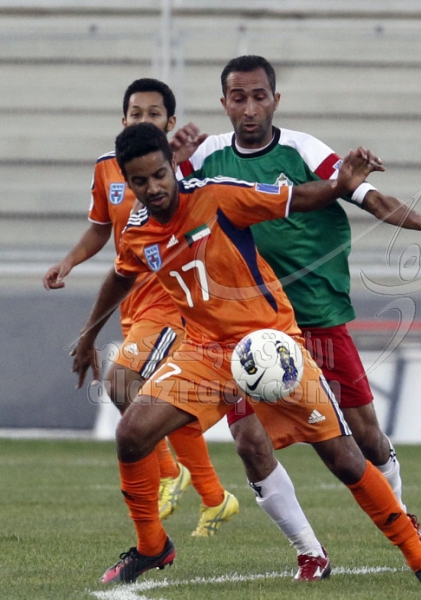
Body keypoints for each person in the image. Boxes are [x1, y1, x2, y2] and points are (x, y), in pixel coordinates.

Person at [73, 121, 421, 586]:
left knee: (343, 457)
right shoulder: (137, 230)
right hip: (205, 351)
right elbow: (121, 274)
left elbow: (295, 198)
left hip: (271, 345)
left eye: (159, 174)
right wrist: (89, 335)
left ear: (172, 166)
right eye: (140, 181)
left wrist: (339, 185)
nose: (153, 187)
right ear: (128, 181)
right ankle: (153, 547)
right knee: (132, 433)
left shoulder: (217, 196)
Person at [176, 55, 421, 555]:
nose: (249, 108)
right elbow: (159, 195)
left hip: (314, 314)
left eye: (258, 97)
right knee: (249, 441)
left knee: (365, 436)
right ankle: (309, 553)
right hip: (245, 327)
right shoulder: (205, 156)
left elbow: (361, 191)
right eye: (238, 98)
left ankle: (403, 517)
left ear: (275, 99)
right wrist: (171, 154)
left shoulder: (303, 149)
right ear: (223, 102)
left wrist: (418, 220)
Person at [42, 78, 238, 536]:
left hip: (173, 303)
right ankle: (215, 498)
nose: (143, 120)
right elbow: (101, 229)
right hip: (134, 306)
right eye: (136, 113)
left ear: (170, 122)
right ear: (123, 119)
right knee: (163, 402)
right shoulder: (107, 169)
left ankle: (170, 473)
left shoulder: (181, 170)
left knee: (121, 384)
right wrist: (69, 262)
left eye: (153, 114)